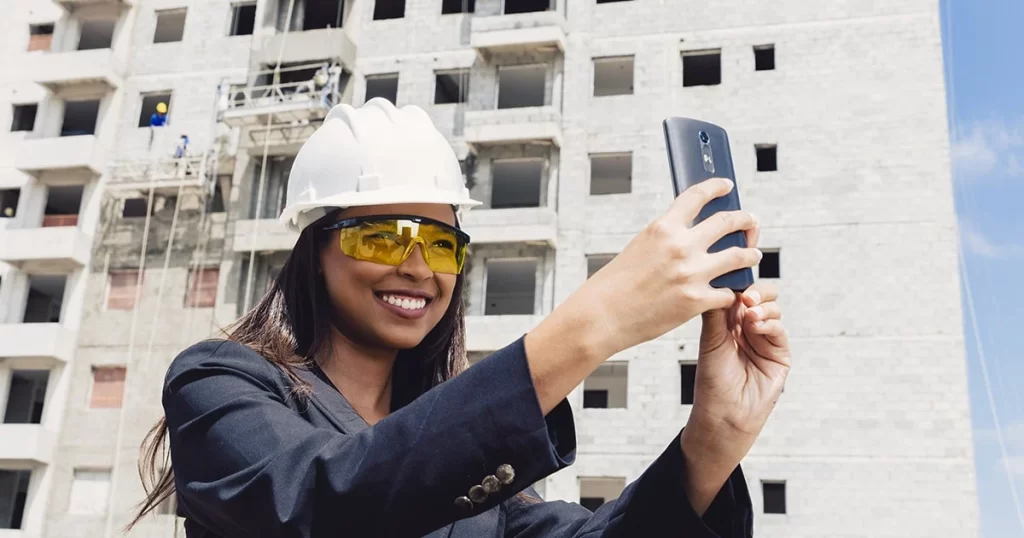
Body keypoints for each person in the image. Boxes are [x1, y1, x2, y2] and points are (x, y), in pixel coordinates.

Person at [128, 98, 791, 537]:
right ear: (316, 250)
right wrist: (596, 323)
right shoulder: (221, 385)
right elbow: (318, 504)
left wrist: (715, 436)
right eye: (383, 237)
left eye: (441, 244)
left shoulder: (476, 478)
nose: (418, 267)